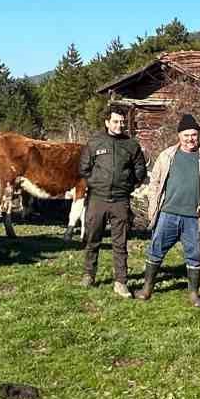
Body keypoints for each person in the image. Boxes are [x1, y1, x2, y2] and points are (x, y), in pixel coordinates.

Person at [138, 114, 200, 306]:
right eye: (186, 135)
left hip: (194, 217)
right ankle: (147, 288)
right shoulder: (167, 155)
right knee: (156, 250)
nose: (190, 139)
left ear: (199, 135)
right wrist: (154, 205)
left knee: (194, 254)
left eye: (194, 135)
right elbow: (155, 182)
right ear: (179, 135)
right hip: (168, 213)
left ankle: (193, 293)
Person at [77, 105, 151, 297]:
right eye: (116, 121)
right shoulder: (94, 143)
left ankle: (121, 281)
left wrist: (128, 186)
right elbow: (84, 169)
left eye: (122, 122)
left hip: (120, 201)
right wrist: (96, 183)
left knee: (120, 243)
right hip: (97, 199)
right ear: (107, 122)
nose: (120, 125)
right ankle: (89, 274)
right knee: (93, 239)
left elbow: (140, 170)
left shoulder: (131, 145)